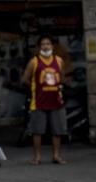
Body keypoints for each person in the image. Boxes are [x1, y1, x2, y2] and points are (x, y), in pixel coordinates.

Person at [21, 35, 66, 165]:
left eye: (48, 44)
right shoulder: (34, 62)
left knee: (57, 131)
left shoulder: (59, 61)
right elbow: (25, 79)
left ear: (52, 46)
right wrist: (35, 88)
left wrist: (60, 86)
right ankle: (37, 157)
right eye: (43, 44)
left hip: (56, 101)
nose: (46, 46)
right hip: (39, 101)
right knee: (37, 131)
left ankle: (56, 156)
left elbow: (62, 77)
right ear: (39, 47)